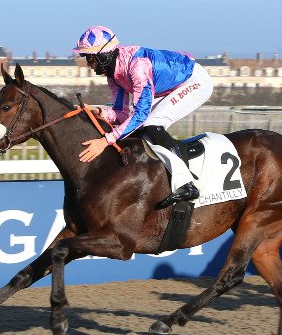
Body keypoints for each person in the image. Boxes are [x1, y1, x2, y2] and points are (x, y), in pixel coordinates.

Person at [72, 25, 214, 209]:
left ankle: (186, 184)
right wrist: (98, 111)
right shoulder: (113, 75)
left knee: (152, 123)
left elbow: (140, 115)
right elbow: (122, 114)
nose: (89, 65)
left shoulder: (138, 66)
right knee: (142, 126)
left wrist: (105, 141)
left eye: (90, 59)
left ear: (104, 55)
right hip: (170, 87)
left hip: (195, 82)